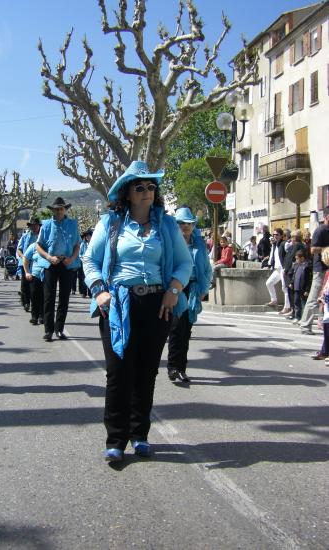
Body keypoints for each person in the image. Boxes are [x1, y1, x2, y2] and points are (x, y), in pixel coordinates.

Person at [83, 160, 192, 462]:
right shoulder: (111, 223)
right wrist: (99, 290)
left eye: (151, 186)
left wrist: (173, 291)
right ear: (127, 193)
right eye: (139, 186)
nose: (146, 191)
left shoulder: (167, 225)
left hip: (158, 305)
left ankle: (140, 434)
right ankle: (115, 439)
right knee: (119, 373)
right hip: (119, 304)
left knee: (146, 373)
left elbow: (185, 264)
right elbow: (90, 260)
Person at [167, 207, 212, 383]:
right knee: (176, 329)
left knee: (186, 331)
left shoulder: (199, 244)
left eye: (189, 223)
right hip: (176, 288)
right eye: (181, 223)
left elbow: (207, 269)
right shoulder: (170, 243)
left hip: (193, 289)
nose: (185, 226)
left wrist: (203, 290)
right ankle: (172, 368)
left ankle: (181, 369)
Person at [36, 197, 80, 341]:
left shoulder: (73, 224)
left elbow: (77, 244)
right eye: (57, 209)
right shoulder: (46, 225)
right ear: (53, 210)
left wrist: (72, 259)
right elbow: (38, 246)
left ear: (65, 209)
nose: (59, 211)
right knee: (49, 297)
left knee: (64, 298)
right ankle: (48, 330)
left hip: (67, 263)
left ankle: (59, 329)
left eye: (61, 208)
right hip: (51, 263)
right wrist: (49, 257)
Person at [299, 207, 329, 335]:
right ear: (327, 217)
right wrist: (326, 249)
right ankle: (305, 325)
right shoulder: (320, 230)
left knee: (325, 298)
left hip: (327, 268)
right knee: (314, 297)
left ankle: (322, 322)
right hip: (320, 268)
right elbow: (312, 249)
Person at [17, 217, 41, 312]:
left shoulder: (41, 236)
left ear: (39, 226)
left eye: (36, 225)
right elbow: (19, 249)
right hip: (25, 263)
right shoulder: (25, 237)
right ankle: (26, 302)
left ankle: (35, 303)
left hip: (37, 264)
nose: (34, 227)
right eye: (32, 226)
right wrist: (23, 257)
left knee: (36, 286)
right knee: (25, 284)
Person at [265, 228, 289, 311]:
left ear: (281, 236)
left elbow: (289, 254)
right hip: (277, 269)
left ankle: (287, 307)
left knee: (284, 287)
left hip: (283, 268)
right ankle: (274, 300)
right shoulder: (275, 244)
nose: (275, 236)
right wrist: (269, 264)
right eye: (274, 234)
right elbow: (272, 256)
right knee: (269, 283)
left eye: (277, 235)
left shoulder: (284, 244)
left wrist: (286, 267)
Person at [23, 236, 44, 326]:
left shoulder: (50, 247)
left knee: (45, 297)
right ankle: (34, 317)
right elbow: (25, 258)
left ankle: (42, 316)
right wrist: (27, 272)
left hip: (47, 276)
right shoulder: (33, 246)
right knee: (34, 296)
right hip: (35, 275)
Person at [78, 229, 93, 298]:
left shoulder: (94, 243)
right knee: (83, 278)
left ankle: (90, 293)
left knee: (90, 278)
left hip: (91, 263)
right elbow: (80, 254)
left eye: (88, 236)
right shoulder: (83, 244)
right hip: (84, 263)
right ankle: (84, 292)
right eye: (86, 236)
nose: (87, 237)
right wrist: (82, 259)